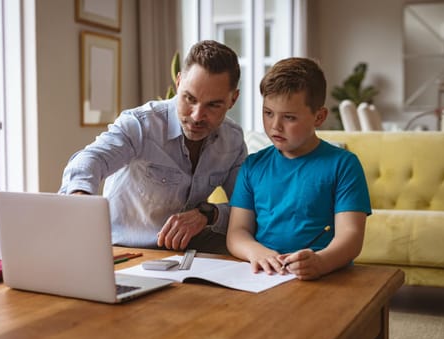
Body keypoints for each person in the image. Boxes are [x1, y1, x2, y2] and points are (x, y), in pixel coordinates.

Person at [59, 40, 247, 254]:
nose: (197, 116)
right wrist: (80, 199)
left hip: (187, 252)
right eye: (189, 98)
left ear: (233, 99)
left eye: (213, 105)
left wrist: (208, 214)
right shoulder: (141, 124)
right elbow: (91, 159)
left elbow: (244, 209)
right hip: (123, 250)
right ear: (178, 83)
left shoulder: (232, 140)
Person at [226, 57, 371, 280]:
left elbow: (350, 236)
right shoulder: (252, 166)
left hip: (326, 276)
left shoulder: (344, 165)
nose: (275, 126)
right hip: (264, 276)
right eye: (268, 113)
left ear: (319, 117)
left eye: (289, 117)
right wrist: (256, 252)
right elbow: (237, 232)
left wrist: (321, 262)